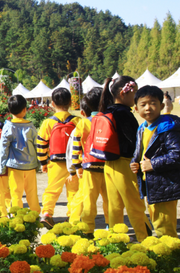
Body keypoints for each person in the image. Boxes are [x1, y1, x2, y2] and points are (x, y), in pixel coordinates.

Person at [99, 76, 152, 242]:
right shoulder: (124, 114)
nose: (136, 98)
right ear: (123, 93)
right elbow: (136, 142)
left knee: (114, 206)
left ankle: (116, 241)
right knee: (134, 204)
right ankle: (145, 239)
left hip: (108, 164)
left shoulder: (107, 110)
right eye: (134, 93)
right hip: (125, 164)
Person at [131, 85, 180, 238]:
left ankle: (171, 258)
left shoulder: (167, 127)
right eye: (143, 104)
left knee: (165, 228)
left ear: (162, 105)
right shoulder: (142, 128)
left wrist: (153, 164)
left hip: (165, 185)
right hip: (150, 184)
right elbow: (142, 151)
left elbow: (177, 154)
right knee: (157, 224)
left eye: (153, 103)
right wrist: (135, 163)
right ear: (136, 108)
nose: (148, 108)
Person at [37, 88, 80, 228]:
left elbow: (41, 143)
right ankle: (73, 217)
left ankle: (47, 214)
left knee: (52, 189)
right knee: (74, 191)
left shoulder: (48, 123)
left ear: (53, 103)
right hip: (74, 163)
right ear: (70, 102)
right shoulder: (77, 121)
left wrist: (43, 162)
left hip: (55, 163)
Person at [70, 88, 109, 233]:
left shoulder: (83, 123)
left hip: (89, 165)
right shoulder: (109, 120)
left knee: (88, 199)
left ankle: (87, 228)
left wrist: (77, 166)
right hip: (108, 165)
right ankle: (111, 224)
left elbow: (76, 146)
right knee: (109, 199)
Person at [0, 95, 40, 215]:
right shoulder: (31, 126)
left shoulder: (8, 127)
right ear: (25, 109)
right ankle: (35, 214)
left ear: (9, 111)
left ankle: (17, 215)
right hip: (30, 166)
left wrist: (2, 167)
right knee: (32, 192)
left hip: (15, 167)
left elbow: (3, 148)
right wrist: (40, 162)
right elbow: (37, 145)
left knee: (16, 193)